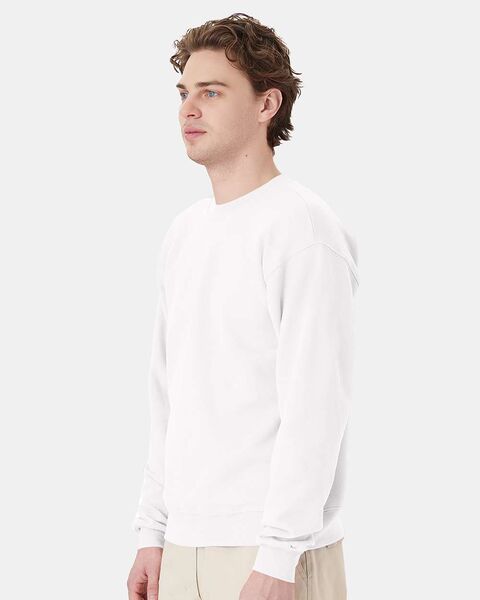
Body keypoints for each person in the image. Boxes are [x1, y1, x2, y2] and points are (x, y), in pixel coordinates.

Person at [127, 12, 359, 600]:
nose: (188, 109)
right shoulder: (184, 233)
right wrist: (153, 532)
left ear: (266, 104)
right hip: (183, 548)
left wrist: (279, 557)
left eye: (211, 92)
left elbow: (316, 406)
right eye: (184, 92)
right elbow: (168, 397)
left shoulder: (303, 229)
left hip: (270, 555)